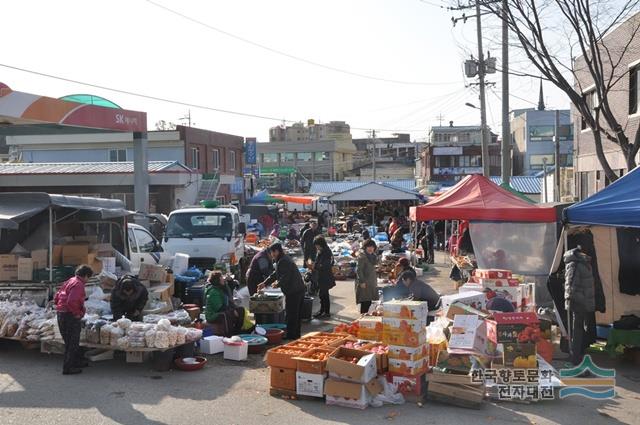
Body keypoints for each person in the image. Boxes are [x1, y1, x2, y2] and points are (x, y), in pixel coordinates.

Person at [258, 243, 306, 339]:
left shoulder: (284, 260)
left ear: (276, 251)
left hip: (294, 291)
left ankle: (291, 336)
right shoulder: (282, 259)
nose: (271, 255)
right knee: (296, 314)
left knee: (292, 314)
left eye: (272, 252)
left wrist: (277, 284)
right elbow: (276, 273)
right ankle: (295, 335)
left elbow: (285, 277)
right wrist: (265, 283)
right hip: (298, 289)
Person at [54, 265, 93, 375]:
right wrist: (77, 314)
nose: (87, 280)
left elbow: (57, 296)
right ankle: (68, 368)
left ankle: (75, 362)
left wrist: (59, 306)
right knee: (72, 342)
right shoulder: (79, 284)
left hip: (61, 313)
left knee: (69, 342)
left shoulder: (70, 280)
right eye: (88, 278)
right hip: (69, 315)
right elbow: (72, 301)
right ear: (85, 276)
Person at [564, 246, 596, 365]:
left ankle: (577, 355)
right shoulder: (575, 264)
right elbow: (571, 286)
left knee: (580, 329)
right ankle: (575, 357)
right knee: (577, 330)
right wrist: (582, 299)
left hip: (582, 302)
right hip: (578, 303)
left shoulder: (581, 262)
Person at [205, 271, 247, 337]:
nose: (223, 278)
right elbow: (220, 308)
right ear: (217, 280)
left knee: (241, 310)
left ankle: (237, 331)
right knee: (226, 315)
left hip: (223, 309)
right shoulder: (213, 292)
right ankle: (228, 334)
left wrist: (230, 280)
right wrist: (232, 311)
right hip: (213, 314)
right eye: (221, 277)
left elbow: (232, 287)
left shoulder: (221, 287)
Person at [312, 235, 336, 318]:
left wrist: (316, 266)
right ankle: (323, 311)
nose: (316, 247)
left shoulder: (326, 252)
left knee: (324, 294)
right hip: (322, 276)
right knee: (322, 295)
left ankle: (325, 312)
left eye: (317, 245)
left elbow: (325, 265)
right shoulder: (321, 251)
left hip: (325, 277)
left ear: (320, 244)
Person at [355, 239, 379, 314]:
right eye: (369, 247)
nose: (370, 248)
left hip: (371, 282)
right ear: (365, 247)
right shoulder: (362, 257)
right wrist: (362, 281)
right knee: (364, 302)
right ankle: (363, 319)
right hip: (364, 282)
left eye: (372, 247)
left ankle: (366, 319)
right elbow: (359, 270)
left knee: (369, 301)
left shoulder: (373, 256)